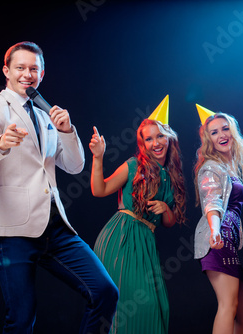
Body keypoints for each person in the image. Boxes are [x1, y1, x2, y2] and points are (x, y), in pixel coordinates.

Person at [0, 41, 118, 334]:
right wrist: (0, 144)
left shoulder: (44, 113)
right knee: (22, 320)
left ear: (42, 73)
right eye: (20, 68)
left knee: (104, 291)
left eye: (33, 68)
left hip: (55, 227)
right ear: (7, 71)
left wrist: (67, 131)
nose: (27, 74)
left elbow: (74, 166)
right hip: (13, 231)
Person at [89, 117, 187, 333]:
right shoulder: (134, 165)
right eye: (149, 139)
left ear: (169, 138)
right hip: (121, 236)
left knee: (155, 306)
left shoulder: (172, 176)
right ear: (143, 144)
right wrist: (98, 157)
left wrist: (165, 208)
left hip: (146, 242)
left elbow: (169, 222)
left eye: (160, 136)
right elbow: (100, 190)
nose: (156, 143)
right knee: (125, 307)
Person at [193, 111, 243, 334]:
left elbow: (234, 159)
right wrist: (215, 229)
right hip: (217, 240)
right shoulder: (210, 167)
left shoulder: (228, 166)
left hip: (229, 240)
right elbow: (212, 200)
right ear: (208, 140)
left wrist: (241, 147)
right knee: (228, 305)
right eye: (214, 132)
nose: (221, 135)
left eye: (225, 129)